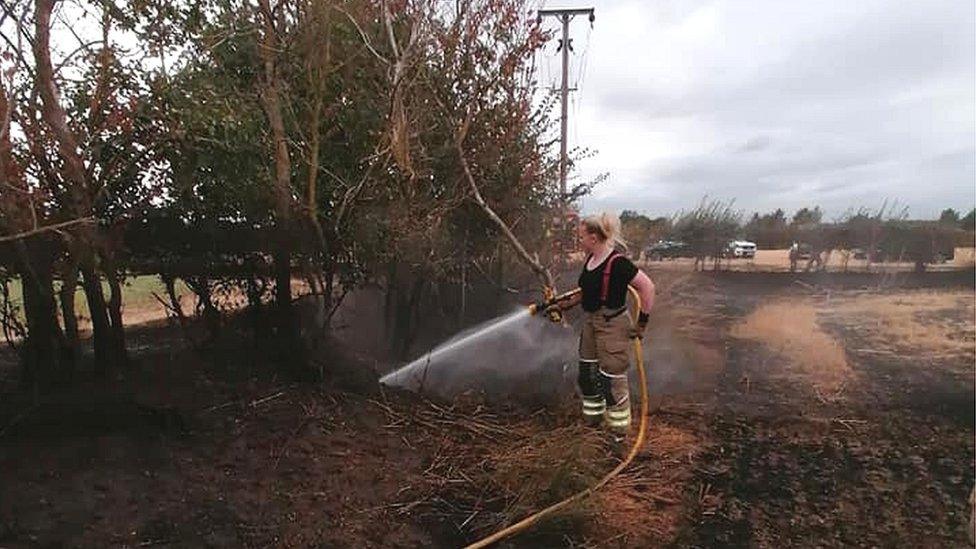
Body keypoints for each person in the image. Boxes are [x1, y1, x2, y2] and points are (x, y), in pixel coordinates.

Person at [554, 212, 656, 433]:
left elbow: (647, 287)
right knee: (587, 376)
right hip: (591, 323)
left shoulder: (618, 263)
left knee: (611, 381)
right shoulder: (591, 260)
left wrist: (642, 323)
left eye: (581, 237)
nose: (579, 241)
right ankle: (594, 424)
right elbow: (588, 290)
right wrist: (566, 304)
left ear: (593, 237)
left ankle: (618, 435)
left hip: (612, 325)